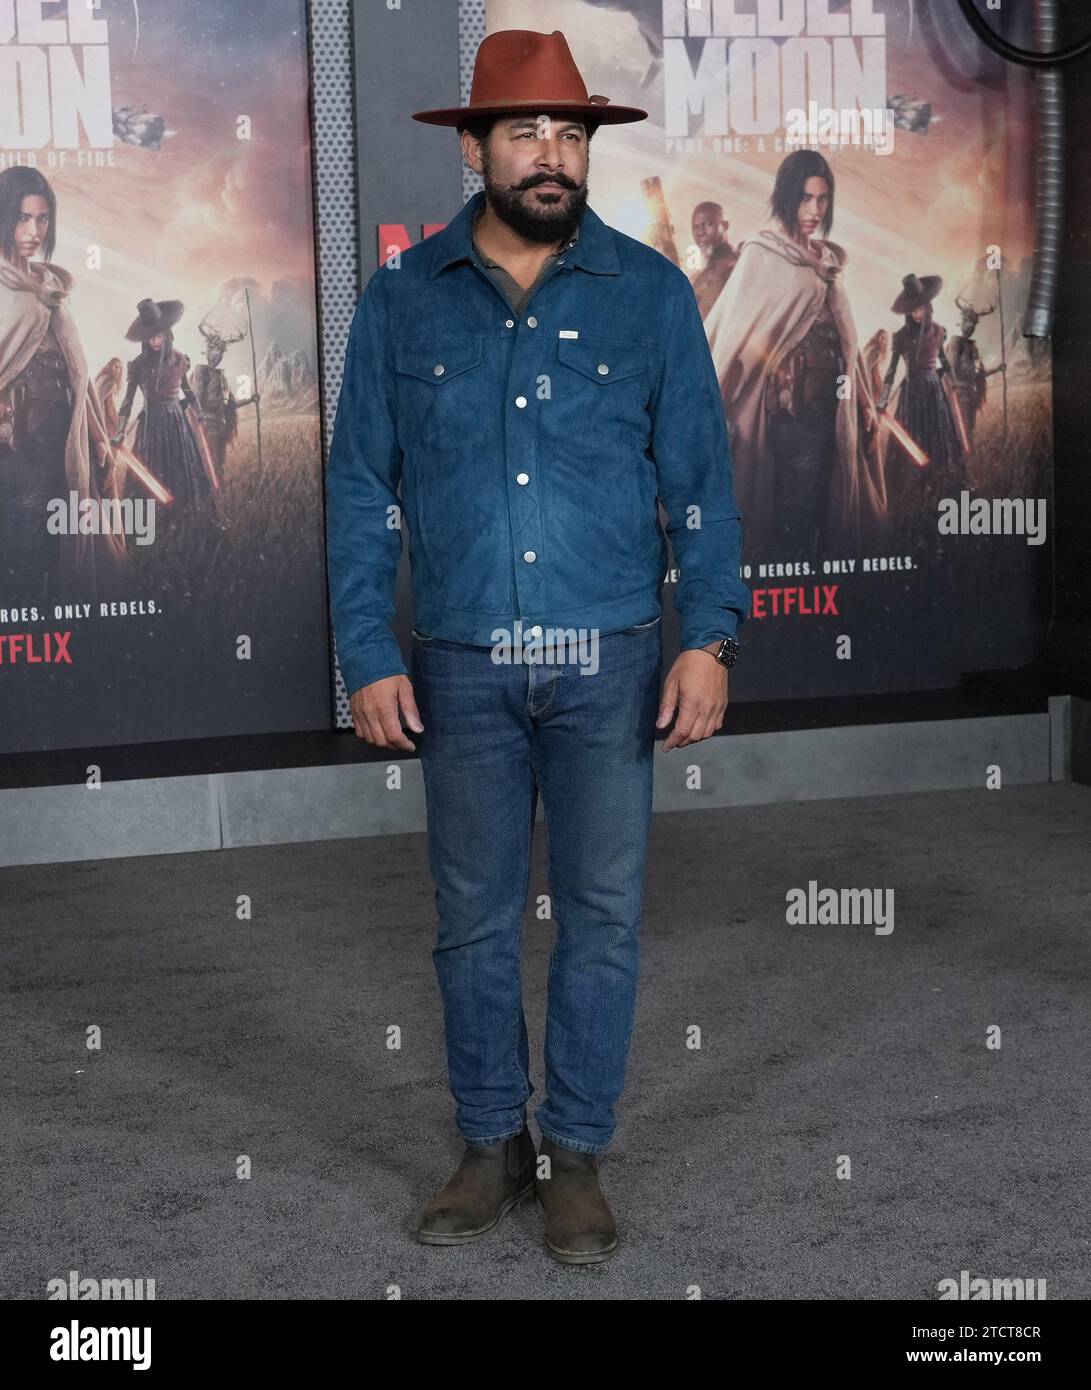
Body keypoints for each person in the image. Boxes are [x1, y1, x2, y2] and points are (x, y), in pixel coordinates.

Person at [325, 28, 750, 1265]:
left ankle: (574, 1152)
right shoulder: (403, 299)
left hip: (611, 656)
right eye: (525, 131)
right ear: (474, 149)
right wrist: (366, 650)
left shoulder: (650, 293)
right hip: (456, 660)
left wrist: (707, 637)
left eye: (570, 133)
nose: (552, 155)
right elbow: (360, 490)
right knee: (471, 917)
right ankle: (486, 1142)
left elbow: (701, 484)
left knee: (604, 916)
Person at [704, 149, 887, 561]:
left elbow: (848, 344)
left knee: (832, 514)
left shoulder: (827, 265)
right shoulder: (764, 256)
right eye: (806, 198)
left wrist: (865, 406)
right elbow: (733, 340)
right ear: (787, 197)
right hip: (790, 417)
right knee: (795, 520)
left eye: (822, 200)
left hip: (834, 415)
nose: (815, 209)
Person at [0, 167, 126, 604]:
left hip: (63, 436)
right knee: (24, 553)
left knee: (67, 542)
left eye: (42, 218)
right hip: (16, 444)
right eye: (21, 218)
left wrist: (96, 435)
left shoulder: (52, 286)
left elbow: (77, 369)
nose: (33, 231)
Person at [110, 299, 221, 535]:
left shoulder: (179, 361)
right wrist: (120, 430)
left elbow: (188, 391)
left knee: (183, 469)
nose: (155, 341)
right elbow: (128, 401)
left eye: (158, 335)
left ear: (167, 333)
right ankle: (146, 526)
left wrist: (198, 413)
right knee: (150, 473)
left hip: (177, 422)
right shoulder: (138, 365)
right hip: (151, 425)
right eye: (150, 337)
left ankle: (183, 520)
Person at [877, 274, 966, 557]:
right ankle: (909, 487)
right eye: (912, 309)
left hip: (934, 390)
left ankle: (937, 484)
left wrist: (952, 382)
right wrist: (882, 399)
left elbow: (945, 363)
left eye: (920, 307)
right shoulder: (900, 337)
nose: (917, 313)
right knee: (911, 440)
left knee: (937, 437)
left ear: (928, 306)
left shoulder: (939, 332)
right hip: (912, 392)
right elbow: (891, 371)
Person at [689, 200, 737, 320]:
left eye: (707, 224)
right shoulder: (697, 277)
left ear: (725, 226)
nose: (700, 232)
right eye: (695, 227)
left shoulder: (739, 264)